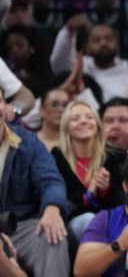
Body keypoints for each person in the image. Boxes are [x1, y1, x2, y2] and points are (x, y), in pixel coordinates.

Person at [0, 87, 72, 277]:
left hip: (19, 228)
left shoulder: (28, 142)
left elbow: (51, 180)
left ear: (5, 107)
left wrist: (52, 209)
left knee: (52, 233)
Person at [51, 100, 127, 237]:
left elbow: (125, 203)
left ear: (97, 124)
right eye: (75, 118)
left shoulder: (117, 157)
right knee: (89, 220)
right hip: (71, 228)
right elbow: (59, 205)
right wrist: (88, 195)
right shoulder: (56, 159)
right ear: (66, 127)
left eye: (89, 117)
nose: (83, 121)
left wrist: (106, 190)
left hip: (113, 223)